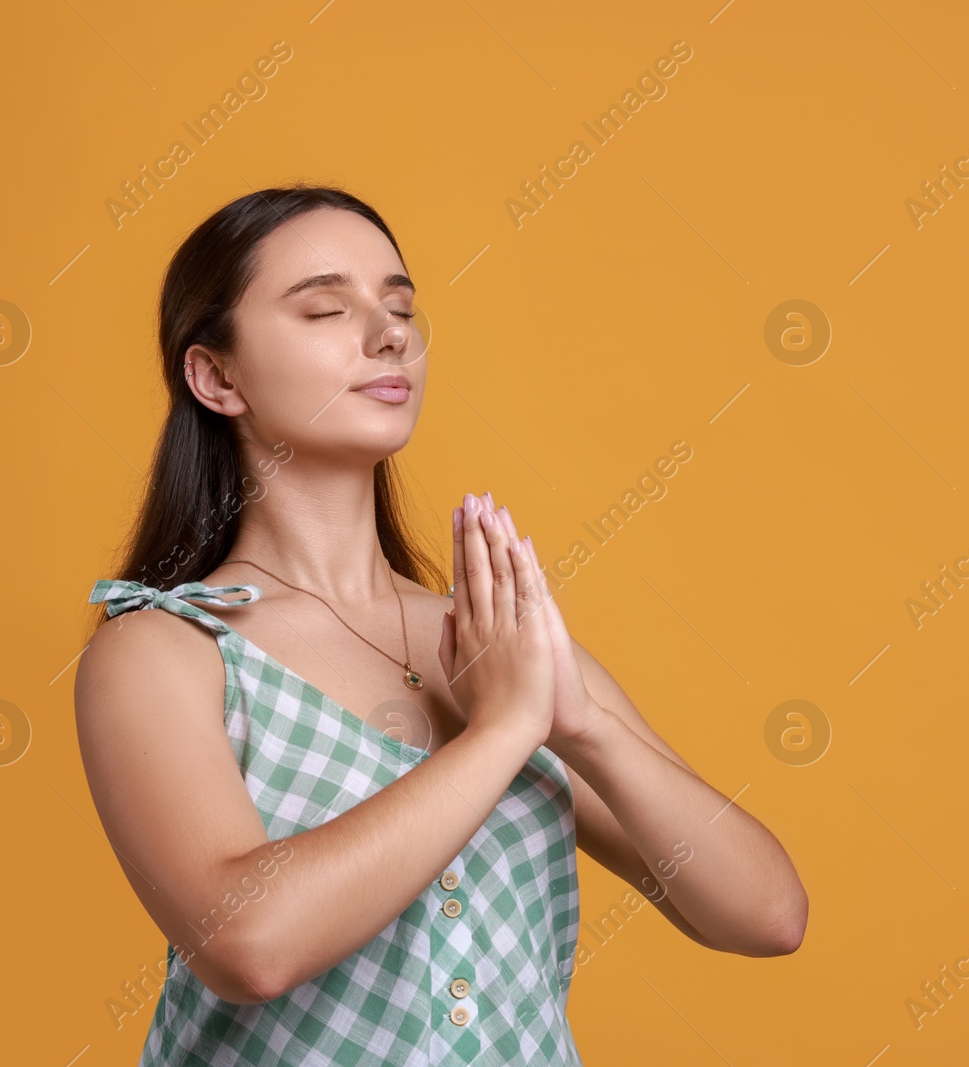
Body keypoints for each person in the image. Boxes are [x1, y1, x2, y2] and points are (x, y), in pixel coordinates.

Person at [73, 183, 807, 1065]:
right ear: (216, 376)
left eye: (401, 306)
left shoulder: (499, 643)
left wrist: (583, 724)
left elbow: (767, 916)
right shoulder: (164, 650)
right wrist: (501, 733)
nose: (389, 335)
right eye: (324, 309)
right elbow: (249, 946)